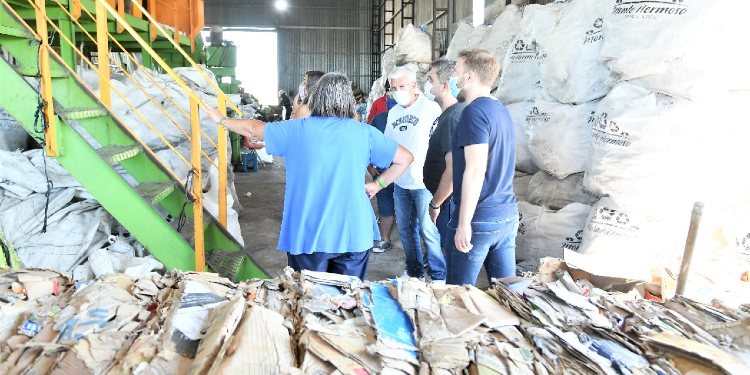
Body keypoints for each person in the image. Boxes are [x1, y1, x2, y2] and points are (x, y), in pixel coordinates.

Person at [204, 72, 414, 280]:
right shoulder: (364, 133)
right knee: (348, 302)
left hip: (308, 233)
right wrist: (377, 185)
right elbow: (405, 158)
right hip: (354, 232)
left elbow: (253, 129)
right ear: (348, 100)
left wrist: (221, 119)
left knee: (309, 301)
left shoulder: (296, 130)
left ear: (317, 97)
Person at [447, 49, 518, 286]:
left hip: (480, 218)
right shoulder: (501, 110)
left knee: (457, 295)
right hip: (506, 215)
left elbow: (475, 170)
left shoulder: (474, 113)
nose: (454, 78)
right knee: (508, 294)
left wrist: (464, 223)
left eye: (457, 72)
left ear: (469, 77)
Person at [385, 66, 446, 283]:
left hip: (424, 183)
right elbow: (388, 145)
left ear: (413, 85)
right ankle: (414, 272)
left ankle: (438, 275)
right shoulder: (393, 113)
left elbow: (440, 145)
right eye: (394, 88)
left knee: (428, 231)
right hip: (401, 182)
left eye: (402, 86)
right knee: (405, 230)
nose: (397, 91)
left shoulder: (430, 109)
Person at [422, 59, 465, 252]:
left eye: (431, 79)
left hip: (447, 203)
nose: (427, 83)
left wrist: (436, 203)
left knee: (448, 254)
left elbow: (454, 169)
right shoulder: (446, 115)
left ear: (445, 85)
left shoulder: (453, 118)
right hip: (444, 201)